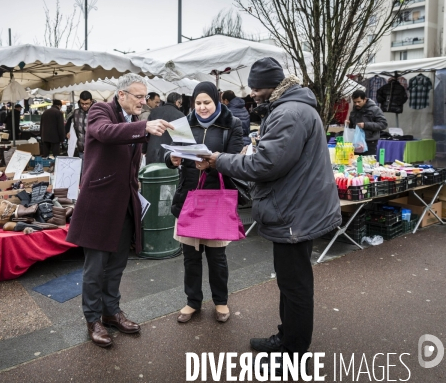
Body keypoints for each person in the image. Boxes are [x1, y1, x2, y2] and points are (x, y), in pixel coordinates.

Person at [203, 57, 341, 374]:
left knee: (295, 286)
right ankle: (286, 338)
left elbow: (266, 164)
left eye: (255, 88)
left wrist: (218, 160)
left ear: (270, 86)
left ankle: (292, 352)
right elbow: (276, 156)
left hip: (295, 211)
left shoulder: (289, 113)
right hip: (298, 206)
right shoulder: (294, 108)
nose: (252, 94)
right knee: (292, 283)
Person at [66, 73, 174, 348]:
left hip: (126, 201)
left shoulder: (137, 122)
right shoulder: (101, 110)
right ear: (121, 94)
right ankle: (93, 319)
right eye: (138, 96)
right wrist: (144, 128)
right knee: (95, 267)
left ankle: (111, 312)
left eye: (145, 96)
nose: (143, 101)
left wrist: (173, 156)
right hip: (99, 202)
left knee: (116, 265)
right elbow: (105, 133)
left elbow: (143, 154)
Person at [164, 82, 243, 324]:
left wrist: (211, 164)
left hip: (217, 199)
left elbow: (235, 161)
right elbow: (168, 153)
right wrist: (172, 158)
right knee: (190, 256)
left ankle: (221, 300)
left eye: (207, 102)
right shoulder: (184, 125)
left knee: (217, 257)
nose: (202, 107)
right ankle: (192, 301)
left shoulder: (232, 124)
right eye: (198, 103)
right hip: (189, 198)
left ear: (217, 100)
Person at [143, 92, 185, 164]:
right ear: (177, 102)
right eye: (180, 104)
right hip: (168, 156)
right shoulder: (180, 115)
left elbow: (147, 132)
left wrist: (144, 150)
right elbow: (182, 139)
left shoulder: (154, 112)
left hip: (151, 152)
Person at [345, 90, 387, 156]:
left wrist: (365, 125)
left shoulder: (375, 109)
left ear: (365, 99)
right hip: (356, 143)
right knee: (355, 164)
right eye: (355, 102)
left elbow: (383, 124)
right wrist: (349, 124)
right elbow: (353, 126)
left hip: (370, 142)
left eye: (359, 102)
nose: (356, 104)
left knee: (368, 164)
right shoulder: (354, 110)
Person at [65, 91, 93, 158]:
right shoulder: (76, 112)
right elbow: (68, 123)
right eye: (82, 103)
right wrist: (67, 132)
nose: (84, 106)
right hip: (81, 149)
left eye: (87, 104)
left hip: (93, 149)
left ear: (91, 102)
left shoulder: (96, 111)